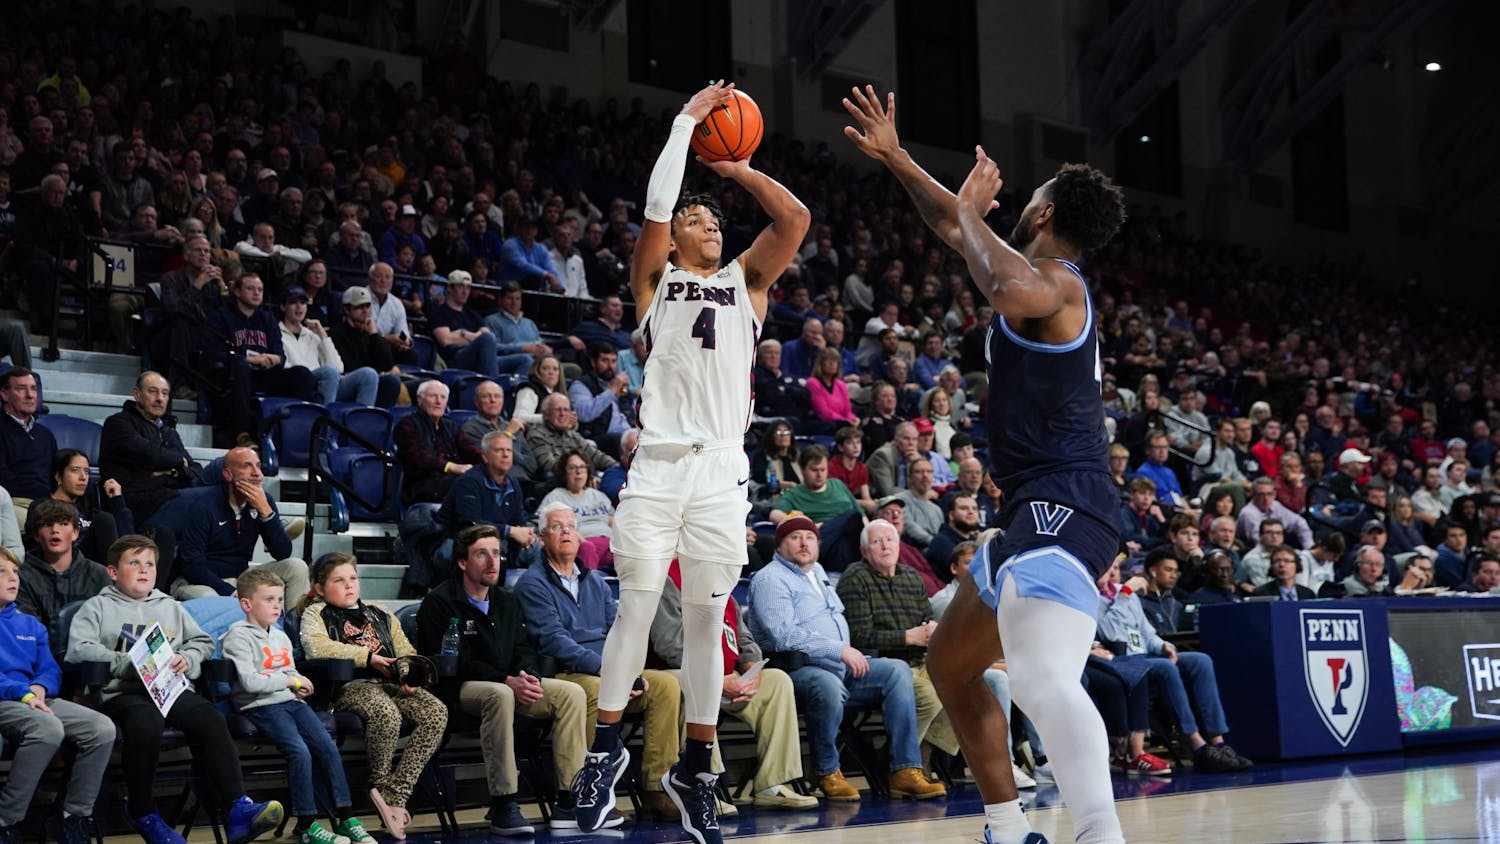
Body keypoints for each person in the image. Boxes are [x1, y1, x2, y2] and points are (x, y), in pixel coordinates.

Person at [845, 84, 1127, 844]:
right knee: (950, 664)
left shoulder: (1059, 284)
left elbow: (1001, 285)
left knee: (1039, 679)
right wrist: (900, 158)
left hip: (1065, 501)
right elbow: (954, 226)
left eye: (1026, 199)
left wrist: (971, 209)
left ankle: (1100, 833)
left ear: (1041, 215)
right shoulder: (1032, 271)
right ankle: (1008, 830)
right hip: (1031, 510)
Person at [566, 81, 810, 844]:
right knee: (636, 606)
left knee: (708, 620)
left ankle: (697, 769)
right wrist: (684, 125)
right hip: (660, 466)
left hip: (722, 474)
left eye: (713, 222)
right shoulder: (654, 281)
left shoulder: (749, 282)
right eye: (696, 220)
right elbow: (655, 211)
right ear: (676, 241)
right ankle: (603, 756)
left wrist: (737, 168)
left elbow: (794, 217)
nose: (706, 226)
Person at [67, 535, 285, 844]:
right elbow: (80, 651)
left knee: (210, 717)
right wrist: (128, 662)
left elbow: (202, 642)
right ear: (113, 572)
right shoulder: (97, 607)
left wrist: (187, 657)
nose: (144, 570)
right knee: (146, 723)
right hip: (123, 693)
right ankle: (143, 812)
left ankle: (238, 809)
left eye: (150, 564)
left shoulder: (169, 605)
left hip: (169, 688)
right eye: (134, 563)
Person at [746, 516, 945, 803]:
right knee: (826, 684)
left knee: (896, 671)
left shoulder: (818, 572)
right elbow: (782, 635)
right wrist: (839, 650)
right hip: (793, 670)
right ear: (779, 544)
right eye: (795, 537)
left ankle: (904, 770)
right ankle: (826, 771)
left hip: (839, 666)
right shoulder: (770, 579)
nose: (804, 543)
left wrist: (846, 653)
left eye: (810, 537)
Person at [416, 525, 594, 833]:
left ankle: (568, 798)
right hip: (458, 689)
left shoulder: (506, 601)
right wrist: (506, 679)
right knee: (500, 695)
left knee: (571, 693)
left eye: (496, 553)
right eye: (481, 554)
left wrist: (528, 676)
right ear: (462, 562)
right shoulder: (440, 602)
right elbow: (455, 663)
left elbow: (524, 648)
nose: (492, 561)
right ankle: (504, 802)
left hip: (510, 683)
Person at [514, 504, 682, 824]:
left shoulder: (596, 581)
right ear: (542, 538)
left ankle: (657, 789)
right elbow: (552, 639)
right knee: (594, 689)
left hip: (608, 670)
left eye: (571, 526)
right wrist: (607, 670)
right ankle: (595, 790)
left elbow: (619, 631)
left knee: (665, 686)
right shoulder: (531, 584)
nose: (566, 532)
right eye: (557, 527)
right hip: (565, 672)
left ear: (579, 536)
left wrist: (628, 672)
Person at [646, 558, 819, 810]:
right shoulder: (666, 580)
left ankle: (772, 784)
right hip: (684, 673)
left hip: (729, 678)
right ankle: (703, 787)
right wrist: (714, 675)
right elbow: (669, 644)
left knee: (778, 681)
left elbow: (744, 639)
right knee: (690, 683)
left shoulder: (720, 583)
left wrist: (751, 667)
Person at [298, 553, 448, 841]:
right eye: (338, 580)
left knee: (436, 712)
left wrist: (406, 674)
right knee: (386, 712)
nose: (348, 585)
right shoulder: (315, 613)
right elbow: (317, 648)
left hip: (390, 684)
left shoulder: (380, 613)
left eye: (352, 578)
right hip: (350, 687)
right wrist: (368, 658)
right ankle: (379, 784)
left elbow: (406, 650)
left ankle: (395, 795)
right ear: (319, 588)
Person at [221, 568, 376, 844]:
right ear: (246, 604)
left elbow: (290, 671)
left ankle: (346, 817)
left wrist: (300, 683)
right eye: (268, 599)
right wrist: (290, 680)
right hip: (261, 706)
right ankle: (306, 825)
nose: (277, 606)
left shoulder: (280, 636)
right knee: (299, 751)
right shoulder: (237, 637)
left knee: (326, 746)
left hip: (291, 702)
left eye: (280, 600)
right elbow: (250, 682)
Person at [0, 546, 116, 844]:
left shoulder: (29, 624)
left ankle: (72, 818)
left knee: (101, 728)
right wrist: (24, 693)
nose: (13, 578)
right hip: (6, 700)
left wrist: (39, 687)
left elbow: (50, 669)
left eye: (15, 572)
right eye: (2, 572)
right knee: (48, 728)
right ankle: (6, 821)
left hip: (36, 698)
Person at [1095, 558, 1252, 774]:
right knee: (1165, 667)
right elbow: (1110, 634)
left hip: (1146, 654)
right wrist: (1124, 596)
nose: (1112, 572)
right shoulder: (1094, 597)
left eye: (1115, 567)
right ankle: (1197, 746)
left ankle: (1218, 742)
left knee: (1200, 660)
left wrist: (1164, 645)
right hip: (1123, 661)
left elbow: (1147, 632)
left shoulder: (1125, 593)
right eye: (1107, 567)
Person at [836, 519, 961, 774]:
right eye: (876, 542)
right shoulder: (855, 578)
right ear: (864, 551)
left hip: (920, 660)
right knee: (930, 697)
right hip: (883, 666)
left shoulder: (912, 577)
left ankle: (918, 752)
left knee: (966, 687)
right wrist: (907, 637)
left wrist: (931, 628)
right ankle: (903, 764)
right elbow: (859, 636)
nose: (885, 546)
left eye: (890, 540)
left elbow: (926, 618)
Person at [144, 446, 309, 600]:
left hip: (241, 577)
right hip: (196, 582)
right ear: (228, 474)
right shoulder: (203, 505)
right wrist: (230, 592)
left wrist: (266, 513)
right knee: (210, 598)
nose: (257, 473)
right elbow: (192, 565)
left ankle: (296, 627)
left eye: (258, 466)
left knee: (296, 567)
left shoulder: (264, 501)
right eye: (247, 466)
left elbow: (282, 553)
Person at [100, 372, 203, 525]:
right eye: (152, 391)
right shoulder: (118, 423)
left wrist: (169, 471)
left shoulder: (167, 430)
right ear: (137, 394)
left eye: (165, 393)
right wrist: (177, 463)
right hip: (139, 507)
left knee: (219, 472)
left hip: (167, 495)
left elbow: (195, 468)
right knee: (215, 499)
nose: (160, 398)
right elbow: (151, 454)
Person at [18, 499, 109, 641]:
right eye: (47, 525)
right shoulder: (21, 576)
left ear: (75, 533)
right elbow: (28, 631)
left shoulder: (99, 574)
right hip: (43, 656)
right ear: (36, 535)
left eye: (63, 524)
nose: (55, 530)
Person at [279, 286, 379, 406]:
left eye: (303, 302)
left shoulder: (312, 335)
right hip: (299, 384)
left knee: (369, 374)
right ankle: (323, 422)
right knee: (329, 372)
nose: (299, 306)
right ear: (283, 307)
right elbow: (284, 367)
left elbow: (338, 368)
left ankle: (361, 422)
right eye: (293, 302)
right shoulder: (276, 333)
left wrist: (323, 335)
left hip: (326, 383)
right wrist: (326, 374)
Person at [394, 380, 481, 506]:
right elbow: (417, 457)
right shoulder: (408, 425)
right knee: (466, 482)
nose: (438, 401)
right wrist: (451, 467)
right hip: (421, 485)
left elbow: (469, 448)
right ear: (420, 399)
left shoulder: (450, 425)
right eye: (433, 396)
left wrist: (489, 462)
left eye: (443, 397)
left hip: (451, 480)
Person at [0, 368, 56, 503]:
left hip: (48, 503)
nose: (30, 395)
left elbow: (55, 476)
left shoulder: (46, 434)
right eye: (21, 389)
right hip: (12, 502)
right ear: (4, 394)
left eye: (34, 389)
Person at [1250, 545, 1318, 601]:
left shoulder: (1308, 594)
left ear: (1296, 565)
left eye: (1287, 561)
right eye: (1277, 561)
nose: (1282, 565)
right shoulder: (1261, 594)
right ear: (1271, 566)